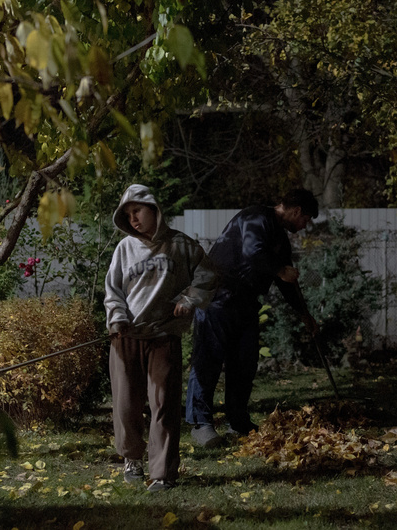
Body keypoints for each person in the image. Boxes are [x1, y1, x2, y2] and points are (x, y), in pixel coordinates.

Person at [185, 188, 319, 447]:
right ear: (296, 211)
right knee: (208, 360)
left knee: (244, 363)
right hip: (218, 298)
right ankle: (201, 424)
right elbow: (252, 253)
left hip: (245, 303)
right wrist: (280, 270)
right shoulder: (256, 218)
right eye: (306, 219)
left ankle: (239, 422)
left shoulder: (280, 237)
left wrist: (305, 315)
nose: (305, 226)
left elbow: (286, 282)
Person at [104, 184, 217, 491]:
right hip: (127, 336)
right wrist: (117, 319)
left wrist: (189, 299)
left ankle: (162, 473)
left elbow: (208, 275)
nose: (134, 219)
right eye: (128, 215)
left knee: (163, 404)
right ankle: (132, 458)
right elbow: (113, 292)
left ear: (154, 209)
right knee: (126, 405)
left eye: (137, 211)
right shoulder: (124, 249)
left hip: (163, 336)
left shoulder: (180, 245)